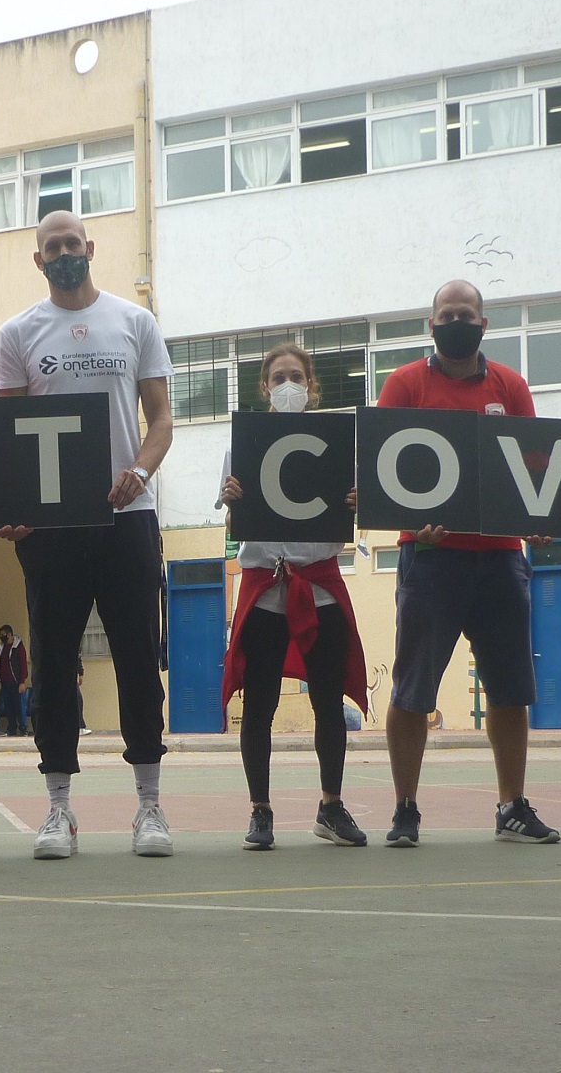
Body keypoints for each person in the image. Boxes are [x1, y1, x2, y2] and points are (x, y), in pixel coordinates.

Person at [0, 210, 176, 859]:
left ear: (90, 248)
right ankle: (58, 810)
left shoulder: (135, 321)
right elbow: (9, 438)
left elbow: (161, 420)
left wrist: (139, 471)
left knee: (138, 661)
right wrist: (14, 508)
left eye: (73, 242)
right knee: (51, 666)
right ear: (38, 259)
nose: (65, 252)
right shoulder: (18, 333)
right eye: (53, 246)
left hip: (129, 519)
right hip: (53, 529)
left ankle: (149, 806)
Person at [375, 279, 560, 848]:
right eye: (447, 314)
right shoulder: (404, 383)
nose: (456, 321)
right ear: (432, 324)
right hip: (430, 558)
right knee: (412, 690)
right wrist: (412, 521)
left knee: (510, 690)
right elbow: (383, 468)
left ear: (484, 323)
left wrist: (538, 517)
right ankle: (405, 809)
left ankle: (511, 805)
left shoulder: (511, 386)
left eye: (466, 314)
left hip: (501, 560)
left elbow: (534, 467)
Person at [217, 343, 372, 850]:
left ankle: (331, 805)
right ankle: (260, 810)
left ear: (312, 386)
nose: (289, 385)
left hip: (319, 586)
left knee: (328, 702)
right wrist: (234, 504)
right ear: (265, 388)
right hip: (265, 589)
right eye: (279, 377)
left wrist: (357, 501)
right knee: (259, 704)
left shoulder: (337, 445)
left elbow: (352, 516)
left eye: (297, 377)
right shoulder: (242, 446)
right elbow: (234, 526)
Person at [0, 624, 28, 737]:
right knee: (9, 707)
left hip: (16, 682)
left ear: (9, 634)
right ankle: (12, 728)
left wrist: (22, 682)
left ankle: (23, 728)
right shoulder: (1, 647)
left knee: (20, 706)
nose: (2, 637)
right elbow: (0, 663)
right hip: (5, 682)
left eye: (3, 635)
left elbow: (23, 665)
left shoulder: (19, 647)